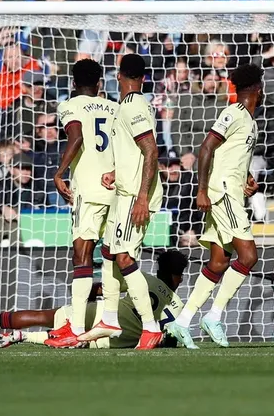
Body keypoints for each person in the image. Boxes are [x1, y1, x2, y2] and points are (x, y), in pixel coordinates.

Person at [166, 64, 262, 349]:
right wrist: (202, 189)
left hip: (231, 190)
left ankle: (182, 321)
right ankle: (214, 316)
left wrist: (247, 178)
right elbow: (206, 147)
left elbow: (231, 157)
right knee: (248, 256)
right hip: (222, 193)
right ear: (258, 88)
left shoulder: (250, 121)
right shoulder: (233, 112)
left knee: (219, 262)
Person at [77, 54, 164, 350]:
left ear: (118, 75)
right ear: (142, 77)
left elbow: (151, 151)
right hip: (124, 191)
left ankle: (151, 327)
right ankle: (110, 318)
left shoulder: (133, 106)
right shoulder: (126, 106)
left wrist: (142, 197)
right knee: (109, 251)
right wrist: (116, 172)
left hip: (134, 196)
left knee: (124, 256)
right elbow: (136, 151)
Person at [0, 250, 188, 349]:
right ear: (178, 275)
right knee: (76, 342)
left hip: (101, 314)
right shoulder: (178, 307)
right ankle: (20, 337)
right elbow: (166, 340)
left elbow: (102, 289)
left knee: (42, 316)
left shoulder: (142, 278)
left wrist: (84, 295)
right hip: (116, 340)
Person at [46, 59, 117, 347]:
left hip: (87, 190)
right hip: (115, 188)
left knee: (82, 256)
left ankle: (76, 328)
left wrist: (60, 172)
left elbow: (75, 137)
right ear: (100, 83)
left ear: (74, 83)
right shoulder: (114, 107)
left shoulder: (70, 105)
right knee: (111, 254)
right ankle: (109, 318)